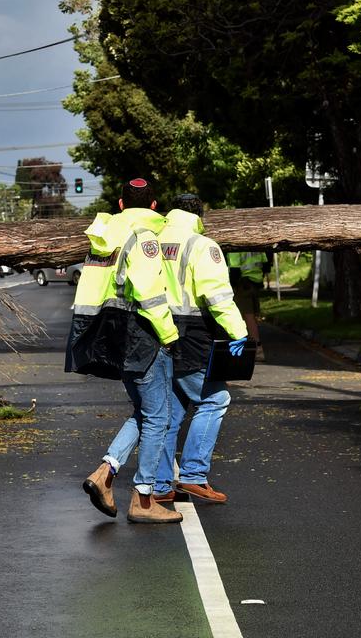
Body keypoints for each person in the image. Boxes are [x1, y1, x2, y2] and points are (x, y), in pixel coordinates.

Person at [67, 178, 183, 524]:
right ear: (153, 206)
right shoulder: (144, 238)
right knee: (159, 418)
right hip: (143, 336)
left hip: (113, 336)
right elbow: (148, 293)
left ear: (120, 204)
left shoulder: (105, 236)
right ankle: (144, 500)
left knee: (145, 411)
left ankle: (106, 473)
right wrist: (169, 334)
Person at [153, 194, 247, 505]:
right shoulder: (201, 245)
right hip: (191, 332)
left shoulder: (151, 242)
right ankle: (193, 476)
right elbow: (216, 295)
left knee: (171, 412)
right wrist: (238, 332)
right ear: (198, 214)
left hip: (153, 331)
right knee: (215, 399)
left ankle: (161, 484)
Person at [226, 250, 267, 361]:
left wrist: (233, 286)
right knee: (252, 315)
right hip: (255, 282)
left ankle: (256, 349)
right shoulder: (256, 243)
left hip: (243, 284)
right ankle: (252, 347)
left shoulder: (235, 245)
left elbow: (234, 270)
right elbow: (266, 263)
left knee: (246, 316)